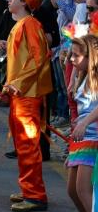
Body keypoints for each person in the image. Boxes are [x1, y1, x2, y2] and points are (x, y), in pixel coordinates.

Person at [0, 0, 52, 212]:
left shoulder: (29, 24)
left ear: (24, 2)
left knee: (28, 145)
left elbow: (39, 59)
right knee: (23, 145)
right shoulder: (22, 24)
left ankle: (36, 195)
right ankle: (29, 189)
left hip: (27, 95)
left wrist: (17, 84)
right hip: (21, 93)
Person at [67, 35, 98, 212]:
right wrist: (80, 122)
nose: (71, 59)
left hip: (93, 139)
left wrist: (85, 122)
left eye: (76, 56)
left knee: (83, 190)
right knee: (72, 191)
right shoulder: (83, 77)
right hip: (80, 141)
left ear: (90, 57)